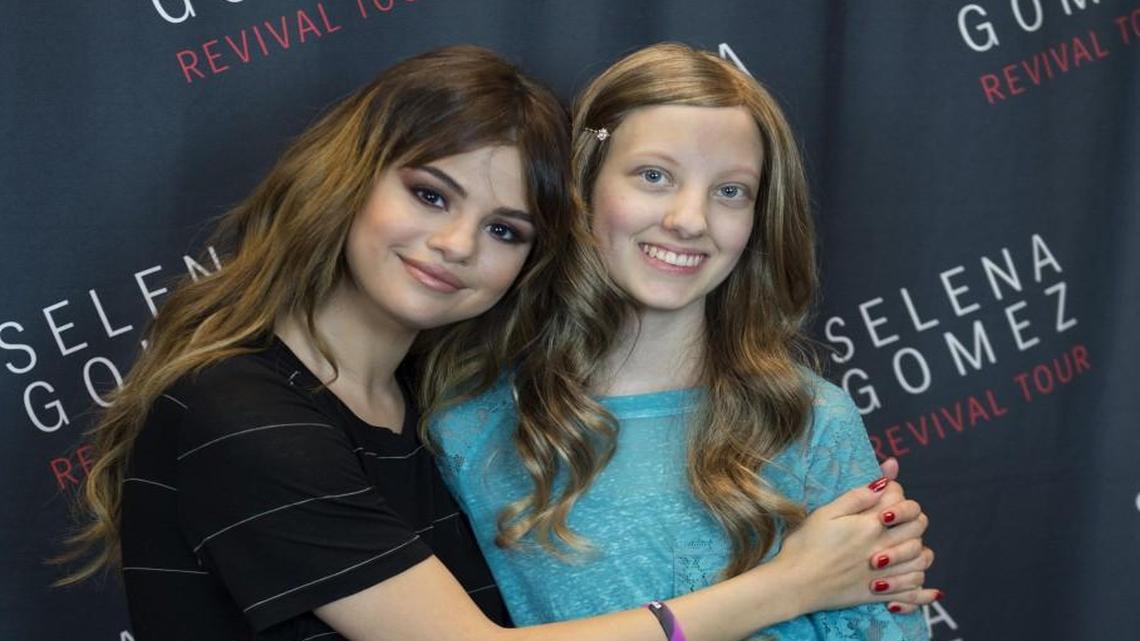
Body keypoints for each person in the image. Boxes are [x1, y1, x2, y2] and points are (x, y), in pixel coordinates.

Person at [59, 46, 931, 641]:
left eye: (506, 227)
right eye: (432, 196)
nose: (458, 244)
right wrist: (795, 582)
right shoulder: (257, 413)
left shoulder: (415, 397)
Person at [427, 42, 938, 641]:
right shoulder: (468, 417)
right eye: (654, 176)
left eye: (730, 191)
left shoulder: (809, 417)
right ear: (584, 183)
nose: (690, 219)